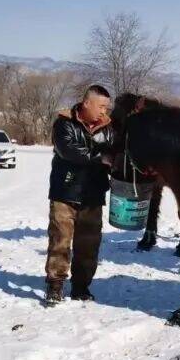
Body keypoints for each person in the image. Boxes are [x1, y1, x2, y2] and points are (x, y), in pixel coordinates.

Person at [45, 84, 114, 305]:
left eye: (107, 107)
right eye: (101, 106)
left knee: (89, 245)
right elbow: (69, 151)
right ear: (87, 103)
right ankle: (55, 285)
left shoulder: (109, 129)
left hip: (93, 195)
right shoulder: (64, 123)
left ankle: (81, 287)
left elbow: (115, 155)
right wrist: (101, 158)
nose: (104, 111)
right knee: (60, 240)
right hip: (65, 191)